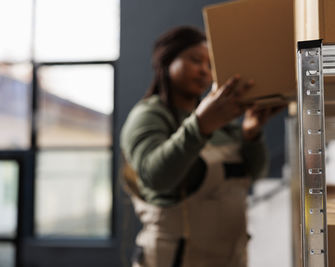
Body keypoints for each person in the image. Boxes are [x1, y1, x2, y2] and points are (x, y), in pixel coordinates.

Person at [120, 26, 282, 267]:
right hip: (173, 259)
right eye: (195, 60)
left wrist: (250, 133)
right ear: (166, 61)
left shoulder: (222, 124)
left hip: (230, 259)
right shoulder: (149, 116)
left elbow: (255, 174)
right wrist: (199, 126)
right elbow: (155, 178)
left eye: (209, 64)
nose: (203, 71)